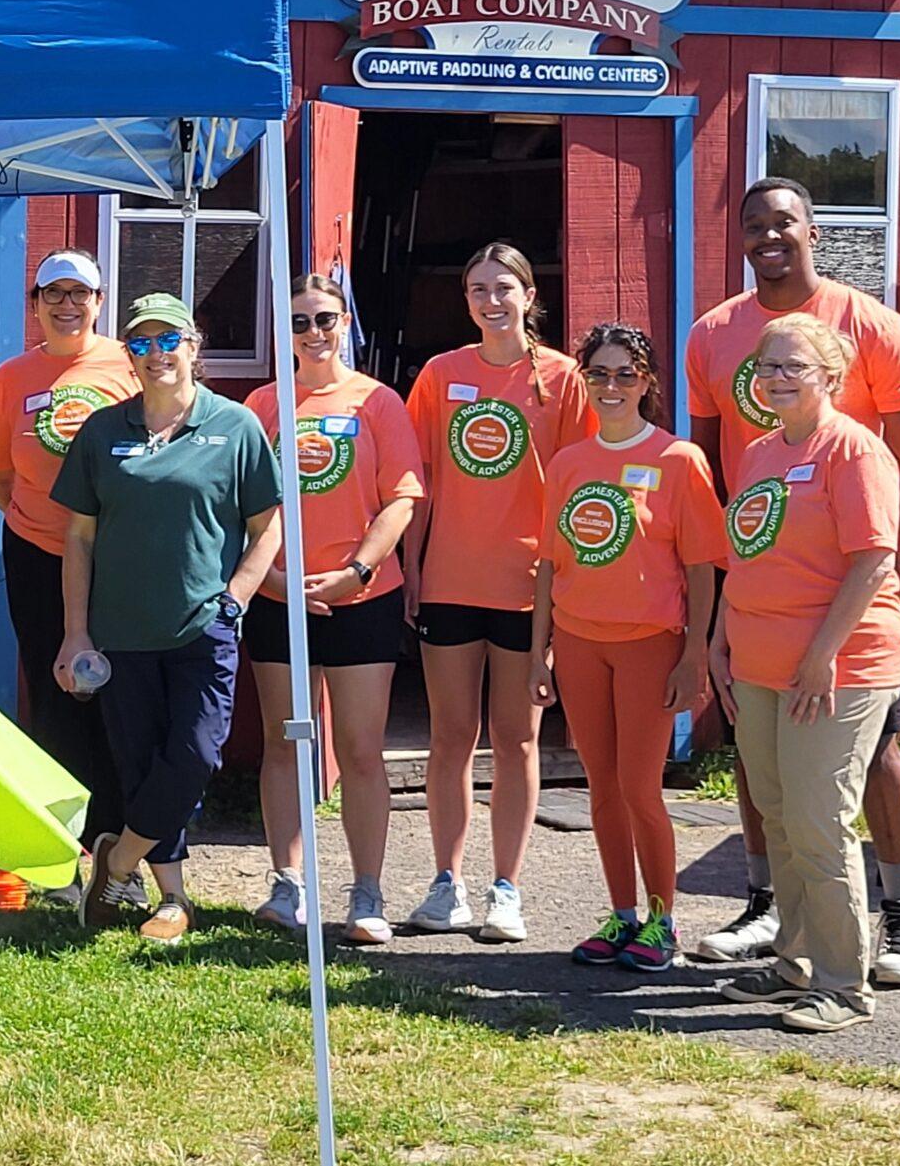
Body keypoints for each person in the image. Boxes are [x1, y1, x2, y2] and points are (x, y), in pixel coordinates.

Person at [684, 176, 900, 983]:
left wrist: (894, 561)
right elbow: (706, 471)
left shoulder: (871, 325)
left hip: (851, 597)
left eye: (783, 221)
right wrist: (719, 607)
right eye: (753, 223)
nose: (768, 235)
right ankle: (773, 914)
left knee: (876, 754)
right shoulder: (715, 334)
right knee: (768, 773)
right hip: (760, 590)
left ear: (814, 231)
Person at [55, 293, 282, 945]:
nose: (157, 354)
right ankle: (173, 896)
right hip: (119, 632)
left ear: (193, 345)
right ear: (129, 355)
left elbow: (267, 527)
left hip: (202, 627)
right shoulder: (104, 430)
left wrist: (236, 594)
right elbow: (78, 539)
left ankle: (117, 859)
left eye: (168, 340)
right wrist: (75, 630)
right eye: (142, 344)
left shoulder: (235, 427)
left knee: (196, 753)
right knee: (144, 762)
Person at [708, 315, 900, 1032]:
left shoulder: (854, 451)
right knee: (779, 816)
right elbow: (746, 555)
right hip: (759, 665)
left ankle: (843, 984)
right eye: (768, 366)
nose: (777, 378)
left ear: (830, 375)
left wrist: (822, 653)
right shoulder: (761, 451)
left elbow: (871, 561)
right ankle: (793, 961)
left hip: (840, 668)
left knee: (821, 821)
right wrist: (720, 639)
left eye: (794, 366)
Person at [400, 241, 597, 943]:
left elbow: (582, 484)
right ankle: (445, 881)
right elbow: (416, 476)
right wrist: (413, 564)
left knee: (516, 740)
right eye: (478, 288)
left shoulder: (563, 378)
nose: (491, 300)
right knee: (452, 736)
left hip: (528, 587)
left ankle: (506, 887)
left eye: (504, 287)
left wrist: (570, 580)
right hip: (452, 578)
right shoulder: (440, 373)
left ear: (528, 295)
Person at [528, 325, 720, 972]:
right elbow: (551, 565)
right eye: (600, 373)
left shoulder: (678, 459)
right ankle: (622, 914)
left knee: (641, 787)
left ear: (648, 382)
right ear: (585, 379)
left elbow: (700, 566)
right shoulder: (568, 463)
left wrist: (695, 654)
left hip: (650, 643)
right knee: (601, 788)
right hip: (580, 641)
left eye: (625, 374)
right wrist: (539, 651)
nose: (612, 386)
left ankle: (663, 921)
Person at [243, 275, 423, 945]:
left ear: (346, 322)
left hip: (361, 598)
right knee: (286, 740)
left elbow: (401, 499)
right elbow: (242, 504)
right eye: (298, 322)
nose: (312, 333)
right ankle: (287, 886)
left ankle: (366, 892)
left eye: (323, 318)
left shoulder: (377, 400)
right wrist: (278, 581)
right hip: (278, 594)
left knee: (359, 749)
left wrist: (356, 572)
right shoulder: (263, 403)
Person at [0, 250, 137, 889]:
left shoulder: (127, 367)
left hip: (119, 559)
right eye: (54, 293)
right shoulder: (10, 377)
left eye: (80, 293)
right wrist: (44, 524)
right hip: (36, 552)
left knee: (119, 700)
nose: (67, 305)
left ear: (99, 302)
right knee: (53, 697)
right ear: (35, 303)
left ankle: (116, 848)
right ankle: (61, 854)